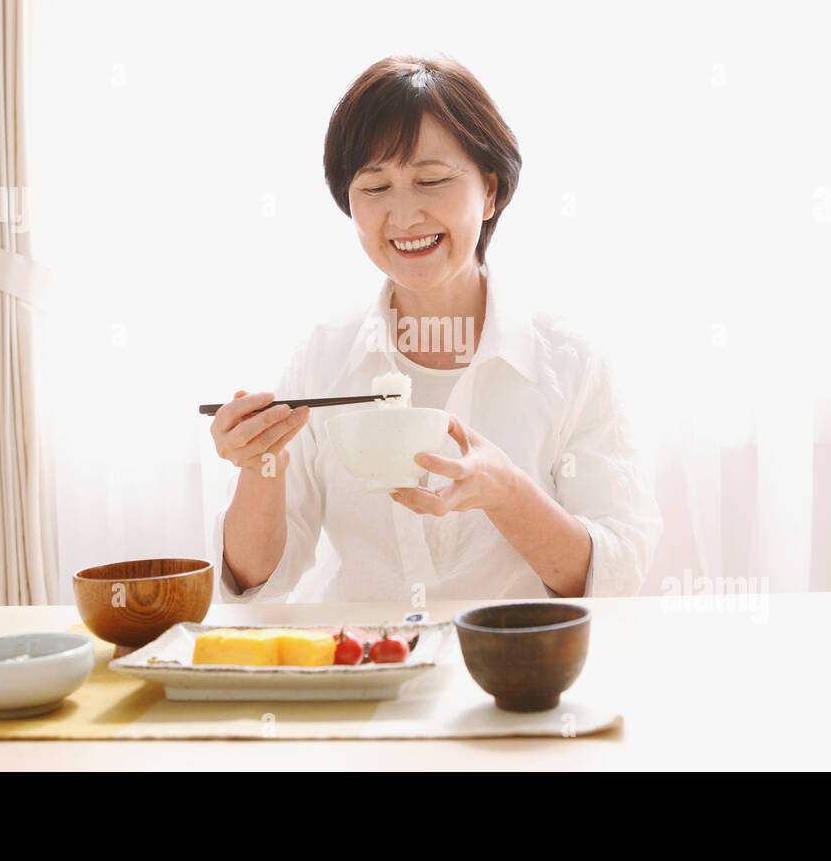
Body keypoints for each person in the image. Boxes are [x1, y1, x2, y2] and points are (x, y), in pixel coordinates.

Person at [206, 54, 662, 602]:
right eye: (375, 189)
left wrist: (508, 493)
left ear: (490, 192)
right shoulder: (323, 356)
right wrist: (262, 465)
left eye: (431, 180)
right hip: (365, 670)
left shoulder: (568, 361)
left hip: (512, 676)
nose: (402, 217)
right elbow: (254, 583)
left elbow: (613, 576)